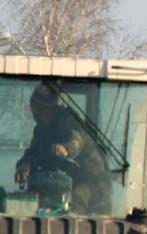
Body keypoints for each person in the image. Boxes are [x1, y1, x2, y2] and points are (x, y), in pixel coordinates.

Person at [14, 83, 111, 214]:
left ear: (46, 108)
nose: (33, 111)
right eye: (33, 106)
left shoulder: (69, 121)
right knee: (36, 199)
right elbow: (33, 152)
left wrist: (65, 149)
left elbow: (76, 140)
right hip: (64, 182)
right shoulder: (41, 130)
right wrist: (24, 164)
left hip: (93, 182)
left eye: (36, 107)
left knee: (73, 200)